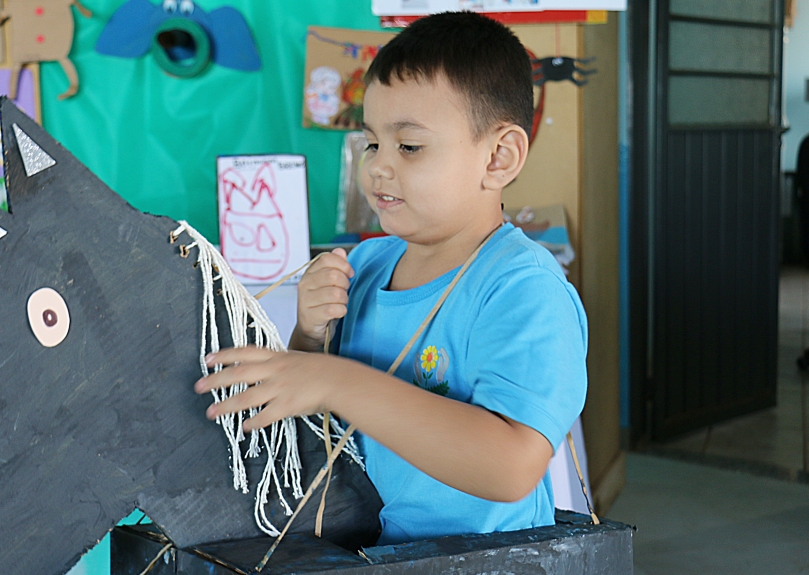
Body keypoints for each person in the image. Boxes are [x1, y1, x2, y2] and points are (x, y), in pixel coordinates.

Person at [196, 11, 587, 545]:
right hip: (368, 563)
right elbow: (318, 416)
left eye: (409, 146)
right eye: (372, 142)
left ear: (499, 157)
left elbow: (511, 466)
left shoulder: (523, 288)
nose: (378, 166)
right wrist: (309, 339)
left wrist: (336, 380)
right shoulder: (364, 267)